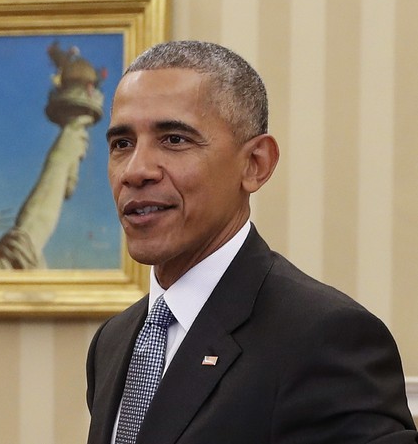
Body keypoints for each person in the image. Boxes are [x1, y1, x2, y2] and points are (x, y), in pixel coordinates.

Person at [86, 41, 416, 443]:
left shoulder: (324, 337)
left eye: (174, 139)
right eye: (122, 144)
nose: (135, 171)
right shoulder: (114, 340)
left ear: (255, 164)